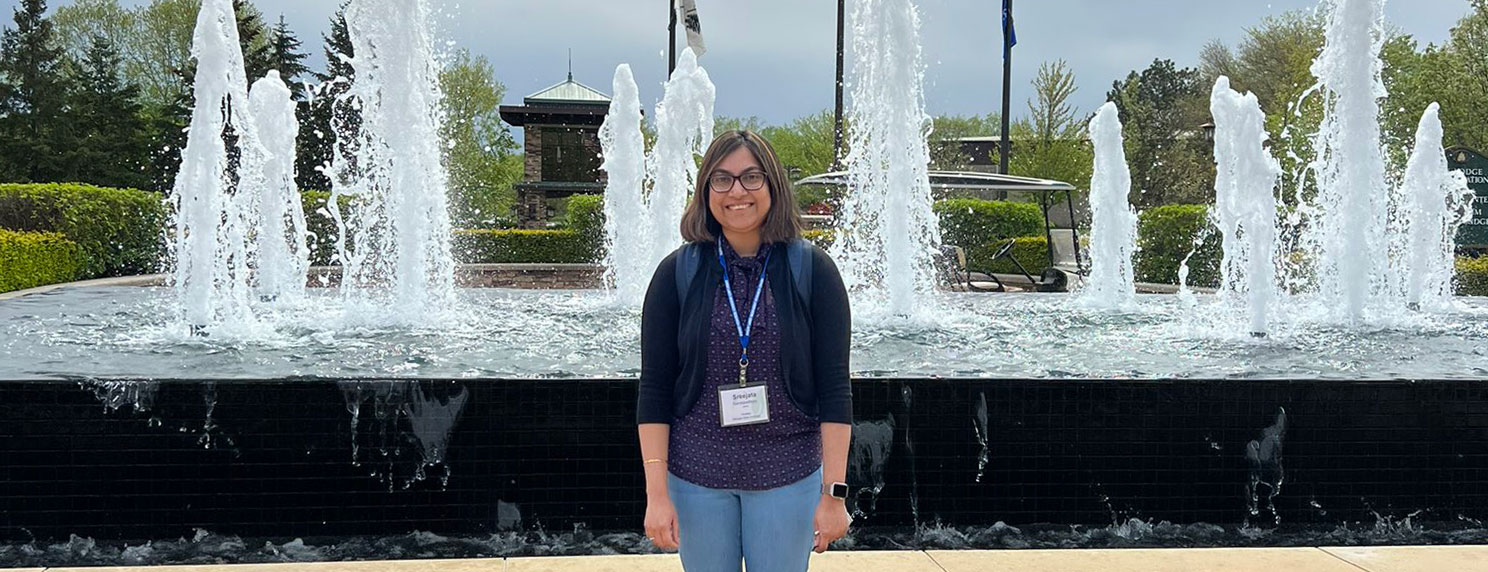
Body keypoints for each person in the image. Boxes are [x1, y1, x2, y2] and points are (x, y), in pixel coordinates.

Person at [636, 130, 853, 571]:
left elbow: (835, 389)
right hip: (697, 478)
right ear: (706, 192)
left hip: (787, 475)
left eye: (751, 177)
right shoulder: (676, 273)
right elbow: (654, 389)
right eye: (722, 179)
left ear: (772, 184)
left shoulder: (812, 271)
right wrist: (656, 495)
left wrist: (834, 495)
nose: (737, 191)